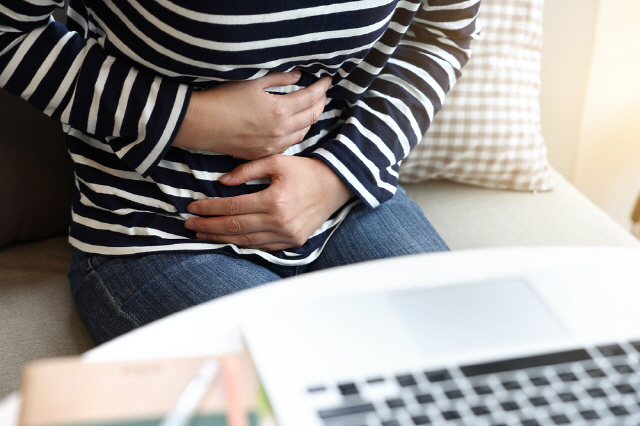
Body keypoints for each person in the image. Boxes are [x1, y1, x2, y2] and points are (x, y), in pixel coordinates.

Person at [0, 0, 480, 344]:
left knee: (468, 344)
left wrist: (338, 175)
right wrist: (188, 118)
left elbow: (442, 32)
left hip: (345, 196)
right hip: (158, 226)